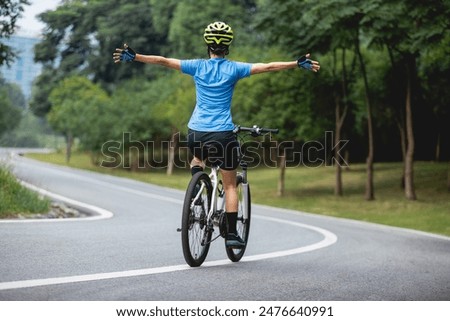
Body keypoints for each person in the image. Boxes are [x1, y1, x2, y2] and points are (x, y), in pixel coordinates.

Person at [113, 21, 320, 248]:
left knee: (197, 159)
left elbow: (163, 61)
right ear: (227, 47)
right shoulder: (235, 69)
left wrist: (135, 57)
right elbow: (268, 66)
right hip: (222, 134)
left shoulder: (197, 66)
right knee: (230, 184)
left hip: (196, 133)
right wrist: (296, 63)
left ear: (207, 45)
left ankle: (197, 189)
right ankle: (231, 234)